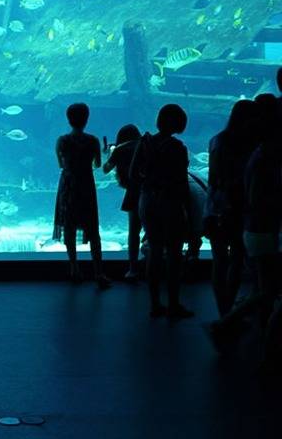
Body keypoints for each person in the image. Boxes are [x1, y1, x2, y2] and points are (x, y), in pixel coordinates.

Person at [206, 96, 282, 364]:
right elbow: (227, 183)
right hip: (235, 215)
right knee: (262, 284)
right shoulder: (258, 153)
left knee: (250, 273)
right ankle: (228, 319)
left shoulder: (247, 147)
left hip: (239, 216)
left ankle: (231, 317)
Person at [130, 103, 193, 319]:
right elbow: (182, 182)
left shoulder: (144, 143)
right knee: (174, 254)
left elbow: (133, 174)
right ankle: (174, 303)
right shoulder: (178, 147)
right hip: (170, 201)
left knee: (154, 252)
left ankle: (155, 304)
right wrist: (189, 210)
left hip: (147, 200)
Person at [204, 100, 257, 317]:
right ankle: (229, 309)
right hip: (238, 207)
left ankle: (223, 309)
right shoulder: (252, 144)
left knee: (220, 260)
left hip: (216, 205)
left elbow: (214, 177)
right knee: (235, 258)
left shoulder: (217, 140)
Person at [53, 103, 110, 289]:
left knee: (69, 226)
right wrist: (104, 153)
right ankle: (99, 273)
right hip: (86, 185)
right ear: (87, 119)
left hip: (68, 185)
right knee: (92, 228)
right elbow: (98, 165)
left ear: (69, 119)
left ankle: (74, 268)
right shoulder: (93, 141)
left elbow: (61, 165)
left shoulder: (62, 141)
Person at [102, 124, 142, 281]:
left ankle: (133, 269)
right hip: (153, 191)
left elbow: (105, 169)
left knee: (134, 232)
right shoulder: (145, 145)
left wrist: (109, 153)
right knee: (154, 232)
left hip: (133, 192)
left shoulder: (120, 149)